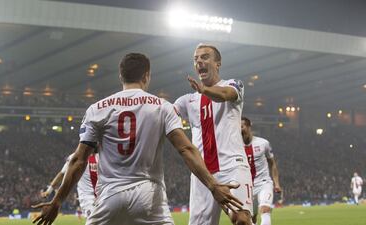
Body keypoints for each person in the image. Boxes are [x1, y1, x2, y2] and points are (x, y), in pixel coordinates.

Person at [32, 53, 243, 225]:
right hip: (150, 198)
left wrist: (57, 201)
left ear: (121, 76)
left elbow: (78, 160)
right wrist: (213, 185)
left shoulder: (97, 109)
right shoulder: (162, 106)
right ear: (147, 76)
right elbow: (186, 150)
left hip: (110, 196)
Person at [174, 44, 253, 225]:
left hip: (233, 166)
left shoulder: (234, 85)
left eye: (205, 57)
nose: (199, 61)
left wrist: (204, 90)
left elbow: (225, 95)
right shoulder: (187, 100)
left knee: (242, 219)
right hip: (203, 175)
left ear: (218, 63)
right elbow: (168, 114)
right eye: (196, 59)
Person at [241, 117, 282, 225]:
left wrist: (276, 183)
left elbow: (272, 163)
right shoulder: (235, 146)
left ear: (249, 127)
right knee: (250, 218)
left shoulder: (263, 143)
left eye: (242, 126)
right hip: (246, 187)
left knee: (265, 209)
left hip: (264, 183)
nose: (240, 130)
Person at [41, 150, 99, 218]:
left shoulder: (104, 156)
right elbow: (62, 174)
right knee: (95, 220)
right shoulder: (75, 157)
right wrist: (49, 190)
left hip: (104, 196)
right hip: (88, 198)